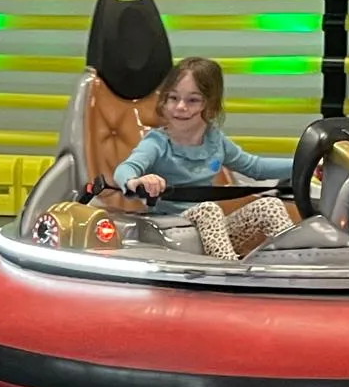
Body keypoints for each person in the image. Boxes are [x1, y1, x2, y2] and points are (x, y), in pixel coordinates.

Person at [112, 56, 294, 260]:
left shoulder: (215, 141)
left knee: (270, 207)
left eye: (193, 100)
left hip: (211, 232)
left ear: (211, 105)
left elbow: (256, 167)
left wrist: (306, 164)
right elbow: (125, 169)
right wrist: (135, 181)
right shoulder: (157, 142)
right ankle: (229, 271)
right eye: (173, 98)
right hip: (169, 230)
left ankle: (292, 265)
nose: (180, 106)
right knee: (208, 210)